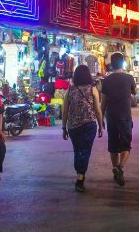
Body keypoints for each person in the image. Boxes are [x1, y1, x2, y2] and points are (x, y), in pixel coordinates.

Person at [62, 65, 105, 193]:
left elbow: (65, 111)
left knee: (77, 150)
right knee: (85, 151)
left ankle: (79, 173)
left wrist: (64, 127)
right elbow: (97, 110)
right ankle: (80, 177)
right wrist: (101, 125)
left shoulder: (69, 91)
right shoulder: (92, 90)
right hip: (88, 125)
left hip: (73, 126)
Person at [100, 52, 136, 186]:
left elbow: (103, 103)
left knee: (113, 146)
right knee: (126, 145)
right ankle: (119, 168)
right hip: (125, 116)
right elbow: (134, 93)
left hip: (111, 116)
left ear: (111, 64)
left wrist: (101, 119)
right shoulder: (129, 78)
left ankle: (116, 170)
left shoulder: (107, 80)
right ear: (123, 63)